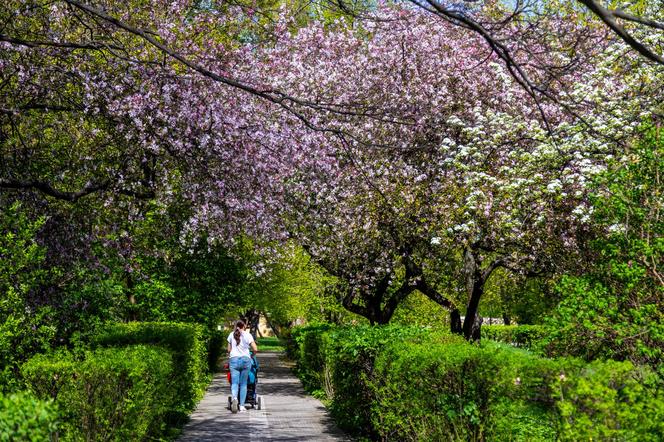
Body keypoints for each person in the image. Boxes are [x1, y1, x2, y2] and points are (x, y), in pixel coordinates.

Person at [227, 320, 258, 413]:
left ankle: (235, 398)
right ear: (244, 326)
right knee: (244, 384)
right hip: (245, 360)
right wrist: (252, 356)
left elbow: (228, 350)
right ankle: (241, 406)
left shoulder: (231, 334)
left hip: (234, 360)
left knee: (235, 383)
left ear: (236, 326)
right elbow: (255, 349)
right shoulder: (248, 335)